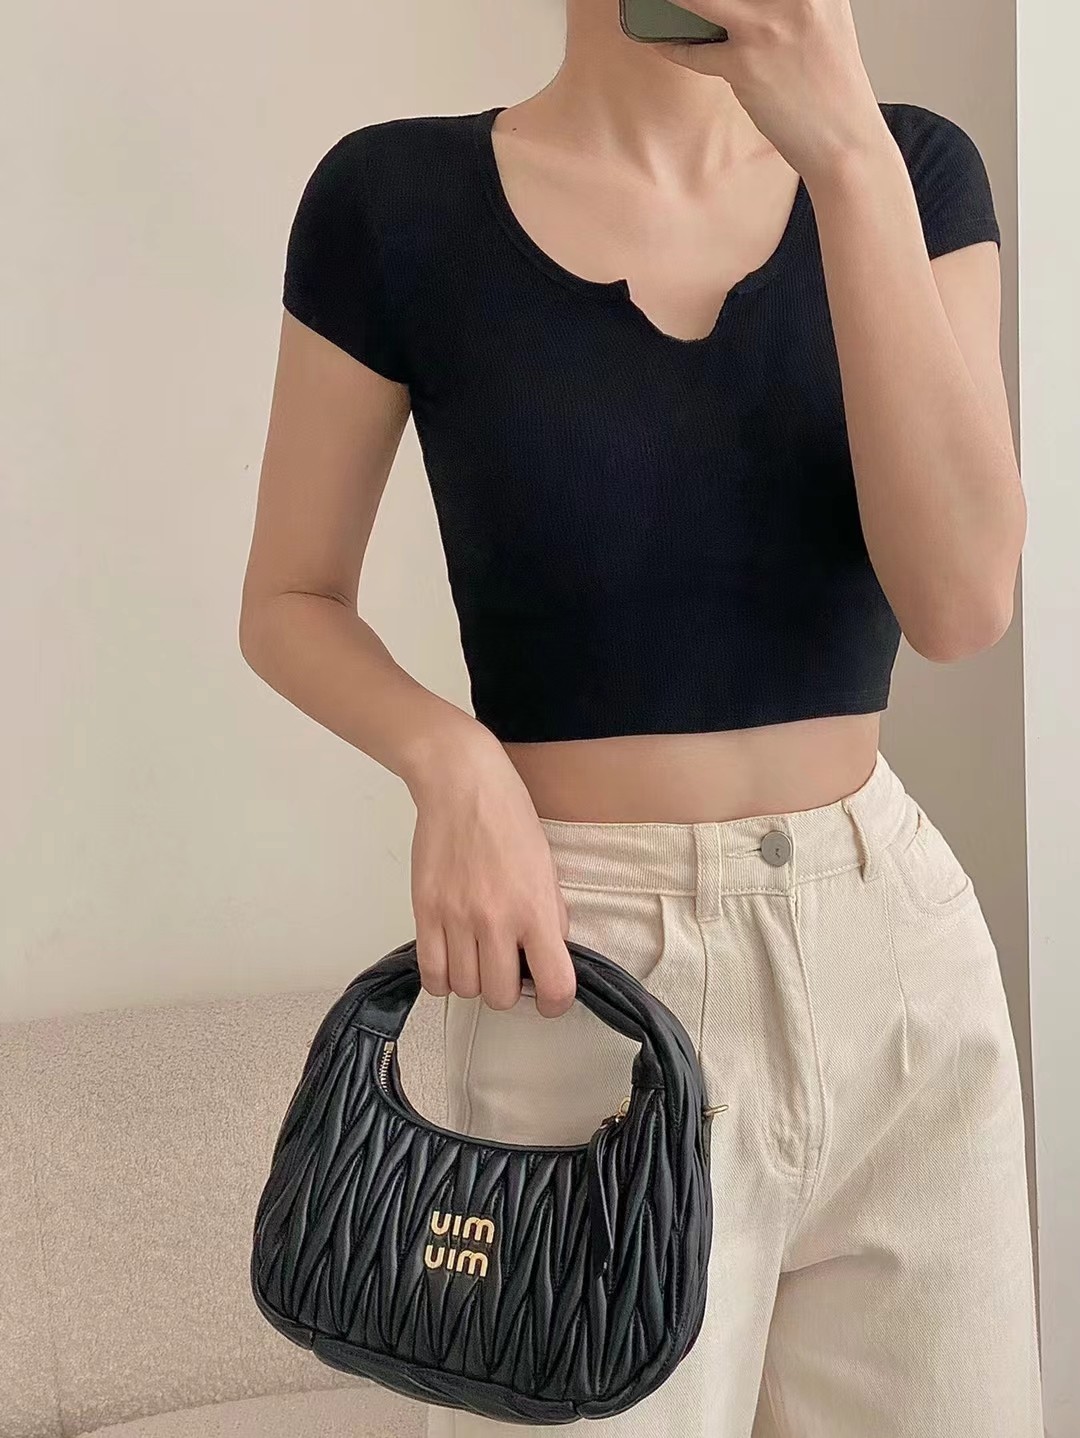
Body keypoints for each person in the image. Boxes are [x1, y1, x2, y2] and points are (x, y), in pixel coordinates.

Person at [239, 1, 1043, 1434]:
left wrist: (847, 154)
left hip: (897, 968)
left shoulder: (913, 169)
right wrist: (454, 762)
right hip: (579, 977)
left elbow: (963, 601)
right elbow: (290, 598)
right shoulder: (392, 201)